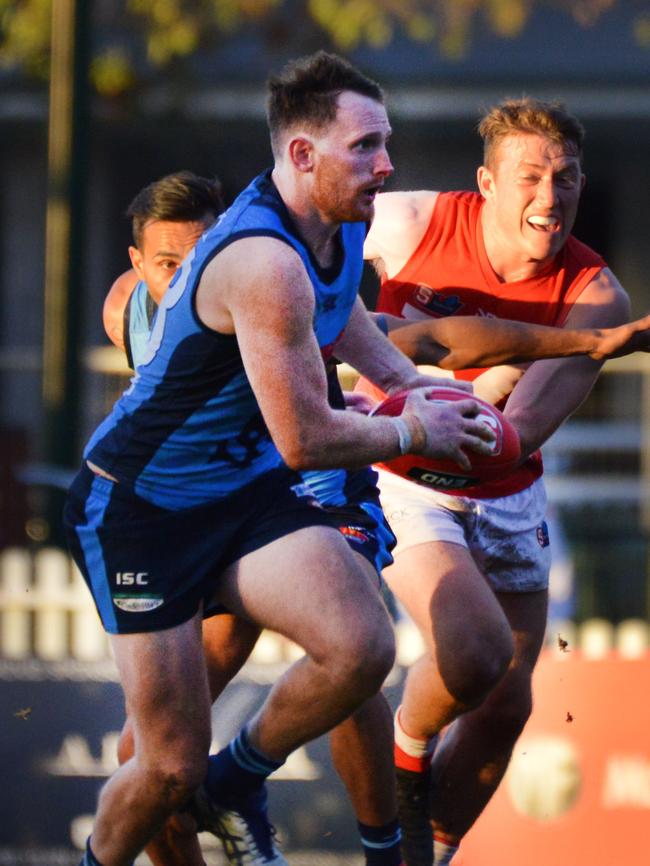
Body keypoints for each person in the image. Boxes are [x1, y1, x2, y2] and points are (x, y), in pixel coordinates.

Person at [105, 170, 650, 866]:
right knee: (154, 762)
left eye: (199, 258)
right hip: (208, 514)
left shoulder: (278, 293)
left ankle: (376, 844)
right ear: (138, 266)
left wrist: (581, 342)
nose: (184, 279)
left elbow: (428, 340)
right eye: (166, 267)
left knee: (359, 650)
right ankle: (230, 797)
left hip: (309, 494)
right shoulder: (131, 311)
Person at [64, 51, 501, 866]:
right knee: (163, 767)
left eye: (387, 141)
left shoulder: (339, 222)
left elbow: (345, 318)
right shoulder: (264, 263)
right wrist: (416, 433)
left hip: (242, 495)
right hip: (141, 512)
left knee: (361, 646)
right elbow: (307, 439)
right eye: (366, 145)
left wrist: (411, 386)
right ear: (302, 155)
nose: (387, 163)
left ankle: (234, 781)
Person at [359, 96, 636, 866]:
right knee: (474, 653)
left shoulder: (596, 299)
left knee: (509, 699)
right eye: (531, 177)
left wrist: (471, 389)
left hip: (508, 489)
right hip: (399, 473)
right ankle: (404, 779)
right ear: (485, 182)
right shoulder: (405, 223)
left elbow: (518, 440)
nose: (551, 198)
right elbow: (294, 268)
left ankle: (429, 857)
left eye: (567, 178)